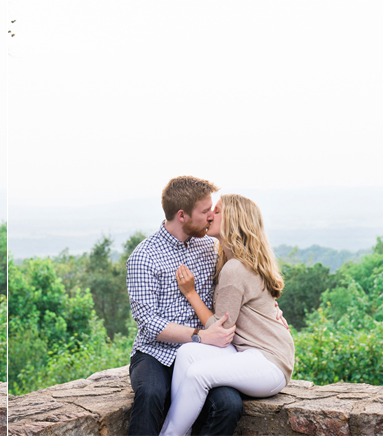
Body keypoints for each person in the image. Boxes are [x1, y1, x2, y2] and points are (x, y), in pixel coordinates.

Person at [159, 194, 295, 436]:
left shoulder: (235, 268)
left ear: (234, 220)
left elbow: (220, 333)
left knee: (198, 374)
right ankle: (182, 426)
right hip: (249, 352)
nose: (210, 214)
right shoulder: (234, 260)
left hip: (269, 364)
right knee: (188, 352)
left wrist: (190, 294)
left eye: (218, 211)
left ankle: (170, 434)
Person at [126, 176, 242, 436]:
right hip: (156, 353)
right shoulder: (144, 257)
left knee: (229, 405)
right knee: (151, 393)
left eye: (213, 210)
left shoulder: (210, 247)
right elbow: (148, 323)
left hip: (203, 356)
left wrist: (270, 308)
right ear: (182, 215)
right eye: (204, 211)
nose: (211, 216)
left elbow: (241, 280)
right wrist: (200, 336)